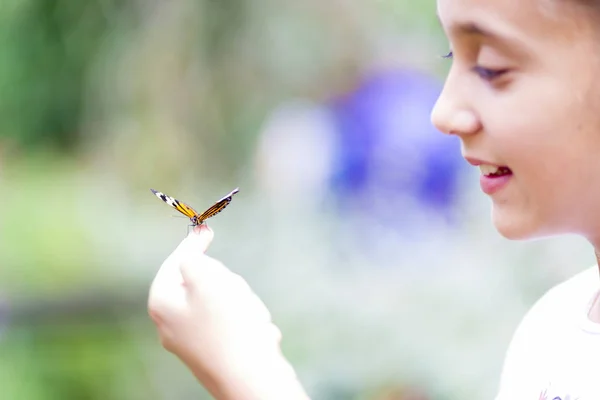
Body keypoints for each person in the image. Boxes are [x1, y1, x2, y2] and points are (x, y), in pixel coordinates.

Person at [148, 0, 600, 398]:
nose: (442, 113)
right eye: (450, 57)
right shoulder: (549, 332)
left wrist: (248, 374)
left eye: (491, 66)